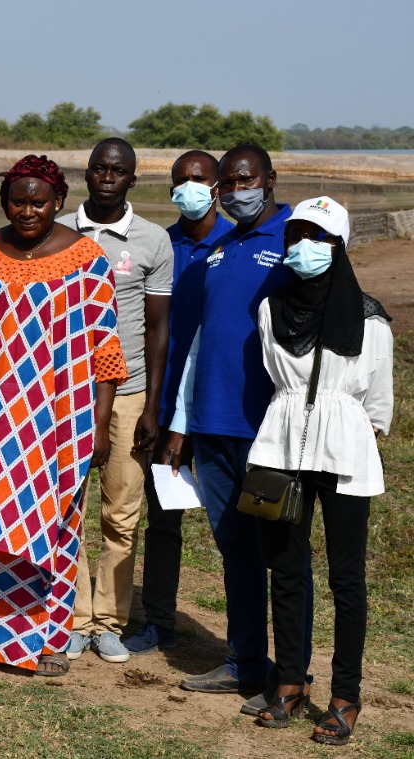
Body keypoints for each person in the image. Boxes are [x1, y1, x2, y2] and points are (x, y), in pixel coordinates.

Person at [0, 155, 128, 676]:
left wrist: (98, 424)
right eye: (18, 201)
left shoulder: (87, 258)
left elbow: (105, 349)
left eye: (39, 202)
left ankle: (46, 637)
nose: (28, 211)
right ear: (4, 201)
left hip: (61, 416)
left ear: (59, 203)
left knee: (52, 523)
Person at [166, 145, 312, 705]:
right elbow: (201, 343)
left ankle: (292, 675)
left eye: (245, 179)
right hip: (213, 423)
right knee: (235, 552)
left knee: (282, 556)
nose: (234, 191)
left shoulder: (298, 241)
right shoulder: (221, 249)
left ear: (270, 179)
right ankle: (245, 662)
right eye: (226, 183)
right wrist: (183, 421)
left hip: (268, 429)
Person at [250, 197, 391, 746]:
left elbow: (378, 397)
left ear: (339, 245)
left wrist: (354, 433)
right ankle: (289, 680)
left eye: (318, 237)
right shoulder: (270, 309)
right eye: (297, 235)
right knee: (284, 568)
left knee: (345, 577)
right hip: (281, 443)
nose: (304, 247)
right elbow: (274, 374)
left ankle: (345, 694)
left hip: (345, 448)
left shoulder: (370, 318)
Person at [59, 138, 173, 664]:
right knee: (64, 510)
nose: (107, 177)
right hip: (65, 394)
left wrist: (151, 404)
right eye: (99, 169)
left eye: (118, 171)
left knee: (120, 514)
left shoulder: (151, 241)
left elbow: (157, 327)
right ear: (86, 174)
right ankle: (74, 617)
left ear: (133, 179)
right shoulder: (59, 232)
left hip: (127, 395)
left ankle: (109, 620)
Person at [122, 150, 233, 655]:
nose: (189, 187)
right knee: (162, 518)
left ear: (216, 185)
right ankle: (159, 621)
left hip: (212, 405)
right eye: (180, 181)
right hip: (158, 401)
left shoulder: (232, 247)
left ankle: (242, 639)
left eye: (199, 179)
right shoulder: (159, 244)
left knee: (231, 525)